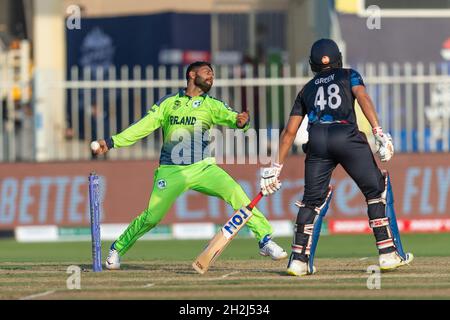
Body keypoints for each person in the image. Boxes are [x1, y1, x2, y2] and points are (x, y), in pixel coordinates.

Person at [92, 61, 287, 270]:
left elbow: (234, 119)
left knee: (236, 192)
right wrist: (112, 142)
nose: (212, 76)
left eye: (213, 73)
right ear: (192, 74)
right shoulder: (169, 102)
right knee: (152, 217)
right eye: (207, 72)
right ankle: (117, 249)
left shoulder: (211, 104)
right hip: (171, 170)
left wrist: (241, 121)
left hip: (203, 168)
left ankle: (265, 240)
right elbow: (143, 126)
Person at [260, 39, 413, 276]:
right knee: (376, 191)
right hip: (346, 135)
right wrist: (378, 132)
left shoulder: (306, 89)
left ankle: (298, 261)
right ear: (337, 58)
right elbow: (363, 99)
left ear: (313, 63)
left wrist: (275, 166)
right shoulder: (349, 74)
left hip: (318, 140)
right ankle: (388, 254)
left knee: (311, 201)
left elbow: (289, 131)